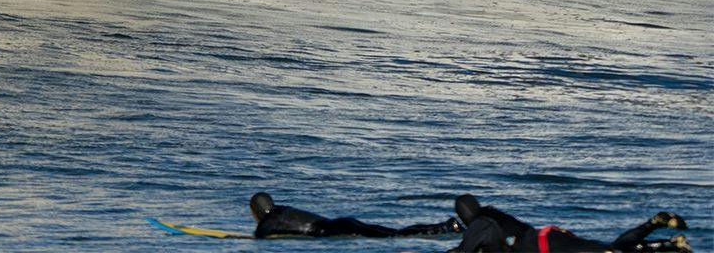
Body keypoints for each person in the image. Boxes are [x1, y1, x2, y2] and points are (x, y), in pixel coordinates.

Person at [449, 194, 689, 253]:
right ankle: (654, 226)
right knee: (610, 247)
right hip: (551, 238)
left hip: (550, 245)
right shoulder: (494, 216)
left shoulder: (481, 224)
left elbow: (464, 250)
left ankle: (672, 246)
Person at [249, 192, 462, 239]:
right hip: (343, 222)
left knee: (394, 236)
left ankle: (444, 227)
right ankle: (445, 226)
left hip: (333, 230)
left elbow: (261, 234)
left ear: (257, 211)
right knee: (393, 233)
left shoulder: (269, 221)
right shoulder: (283, 208)